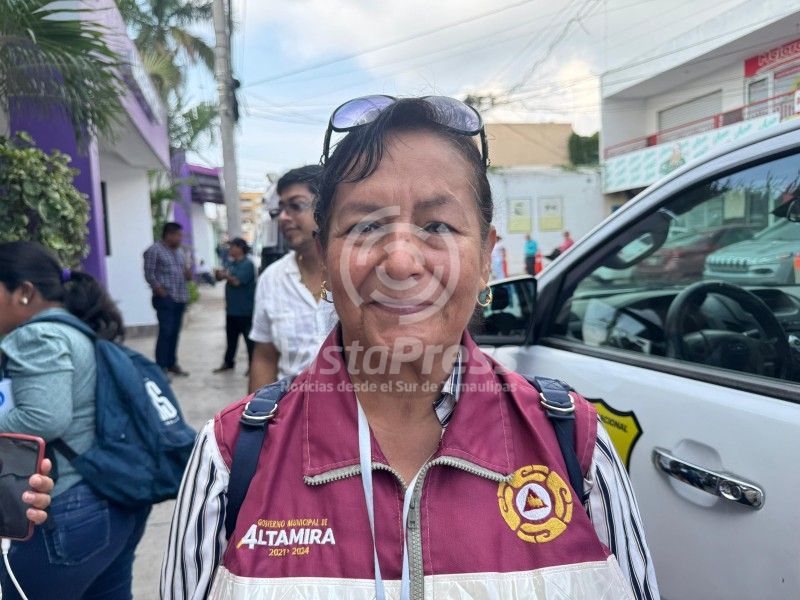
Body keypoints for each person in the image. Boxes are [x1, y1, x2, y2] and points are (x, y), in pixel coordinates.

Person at [162, 96, 658, 599]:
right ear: (327, 258)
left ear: (485, 257)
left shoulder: (573, 442)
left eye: (438, 226)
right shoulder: (230, 459)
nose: (400, 263)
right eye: (365, 226)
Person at [0, 241, 152, 599]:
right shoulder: (76, 328)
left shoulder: (37, 334)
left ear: (24, 292)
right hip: (111, 499)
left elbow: (43, 417)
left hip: (70, 505)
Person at [246, 165, 338, 392]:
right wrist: (256, 411)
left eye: (296, 206)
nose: (283, 217)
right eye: (280, 209)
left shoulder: (357, 273)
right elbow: (265, 356)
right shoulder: (272, 279)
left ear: (328, 206)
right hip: (290, 408)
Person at [143, 222, 191, 377]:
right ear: (169, 235)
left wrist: (188, 273)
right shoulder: (154, 250)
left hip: (180, 297)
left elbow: (183, 273)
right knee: (166, 332)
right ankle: (161, 367)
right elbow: (149, 273)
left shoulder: (179, 252)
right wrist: (160, 290)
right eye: (178, 235)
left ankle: (171, 364)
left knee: (175, 332)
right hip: (166, 298)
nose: (180, 238)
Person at [213, 238, 257, 373]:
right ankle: (228, 362)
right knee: (231, 339)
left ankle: (253, 366)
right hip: (232, 310)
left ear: (240, 248)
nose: (229, 249)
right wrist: (219, 274)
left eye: (232, 247)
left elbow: (237, 282)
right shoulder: (231, 264)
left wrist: (226, 275)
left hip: (245, 310)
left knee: (249, 341)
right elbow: (220, 278)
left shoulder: (247, 264)